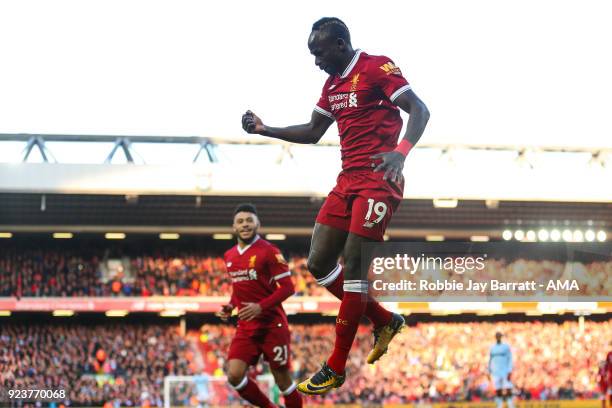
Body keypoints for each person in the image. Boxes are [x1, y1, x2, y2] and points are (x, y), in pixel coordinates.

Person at [241, 17, 429, 394]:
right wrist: (265, 129)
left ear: (340, 45)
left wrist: (401, 153)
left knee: (355, 267)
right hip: (347, 182)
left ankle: (336, 364)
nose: (316, 62)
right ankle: (384, 319)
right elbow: (313, 132)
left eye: (319, 53)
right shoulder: (332, 85)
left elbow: (420, 110)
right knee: (319, 263)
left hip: (378, 180)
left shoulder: (376, 67)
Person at [216, 203, 302, 407]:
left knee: (281, 378)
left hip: (272, 325)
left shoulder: (269, 251)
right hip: (246, 327)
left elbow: (288, 288)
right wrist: (230, 306)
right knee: (234, 375)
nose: (245, 225)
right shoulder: (229, 256)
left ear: (257, 224)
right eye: (240, 221)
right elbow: (239, 289)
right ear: (234, 227)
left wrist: (260, 307)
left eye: (249, 221)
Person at [489, 332, 514, 408]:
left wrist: (509, 370)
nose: (498, 338)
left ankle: (511, 406)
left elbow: (510, 359)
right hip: (495, 371)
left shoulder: (506, 347)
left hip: (505, 371)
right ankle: (499, 406)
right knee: (498, 390)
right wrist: (489, 371)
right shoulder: (492, 347)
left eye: (500, 336)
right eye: (497, 336)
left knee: (508, 389)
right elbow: (489, 360)